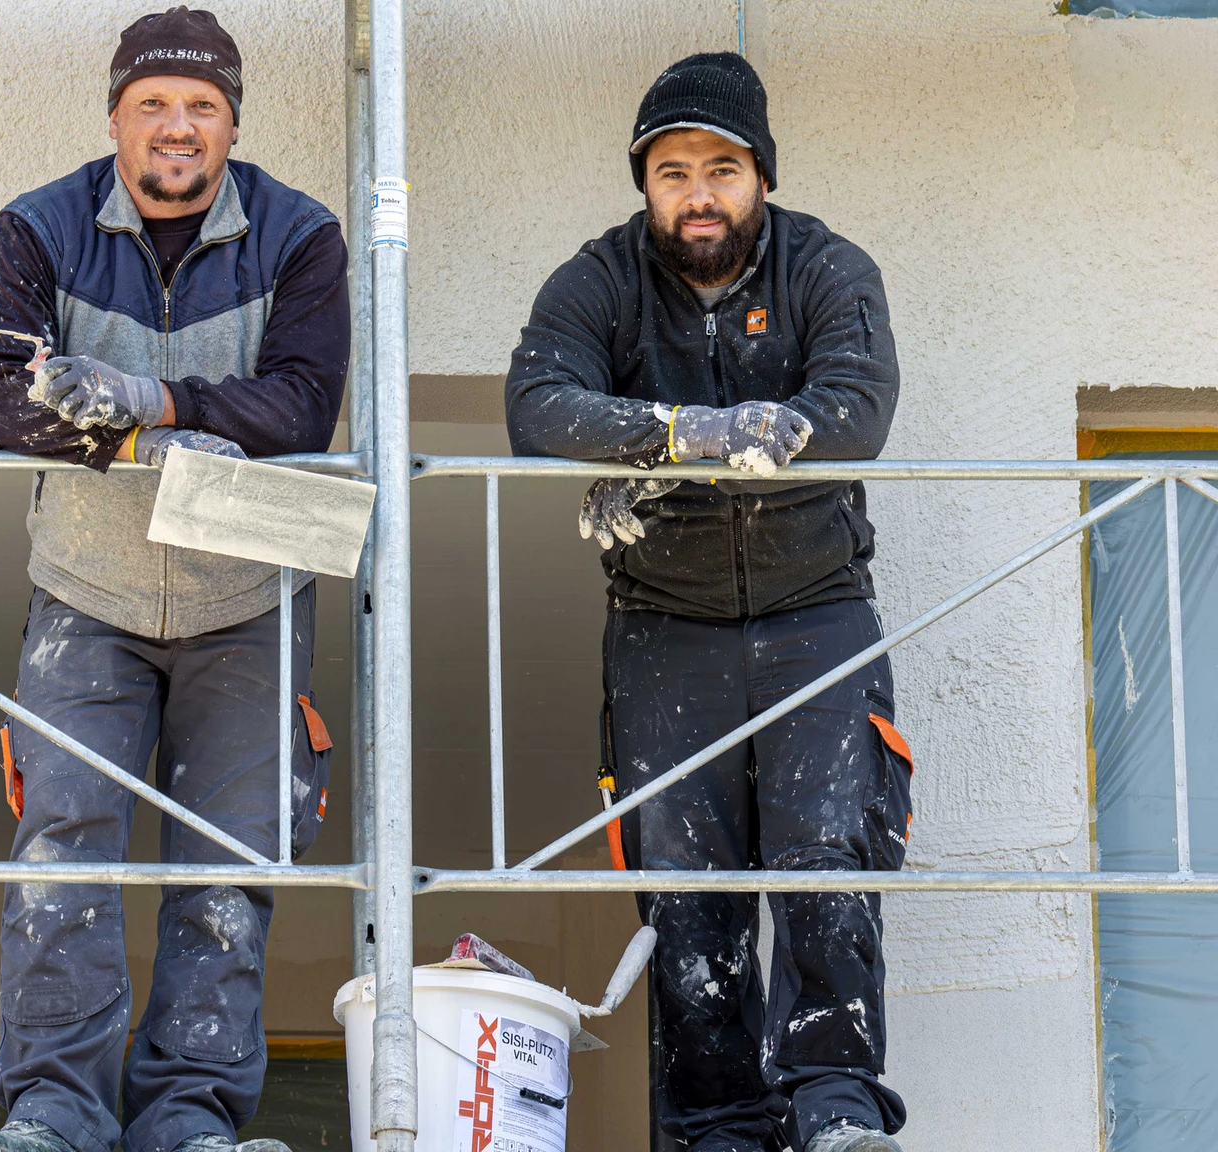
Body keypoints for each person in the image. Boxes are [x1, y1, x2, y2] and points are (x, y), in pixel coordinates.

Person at [0, 9, 349, 1152]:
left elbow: (306, 405)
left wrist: (147, 400)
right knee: (61, 852)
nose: (179, 126)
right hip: (87, 596)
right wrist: (144, 446)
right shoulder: (39, 227)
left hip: (249, 602)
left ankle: (191, 1125)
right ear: (115, 113)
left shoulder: (300, 234)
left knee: (228, 870)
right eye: (155, 103)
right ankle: (53, 1120)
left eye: (203, 107)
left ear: (233, 123)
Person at [504, 53, 909, 1152]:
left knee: (829, 862)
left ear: (760, 178)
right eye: (672, 170)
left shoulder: (827, 266)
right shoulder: (600, 279)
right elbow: (537, 407)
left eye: (721, 169)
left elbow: (857, 410)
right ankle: (717, 1130)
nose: (697, 194)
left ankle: (834, 1112)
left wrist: (656, 456)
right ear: (644, 183)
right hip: (663, 626)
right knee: (686, 894)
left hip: (816, 611)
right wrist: (689, 435)